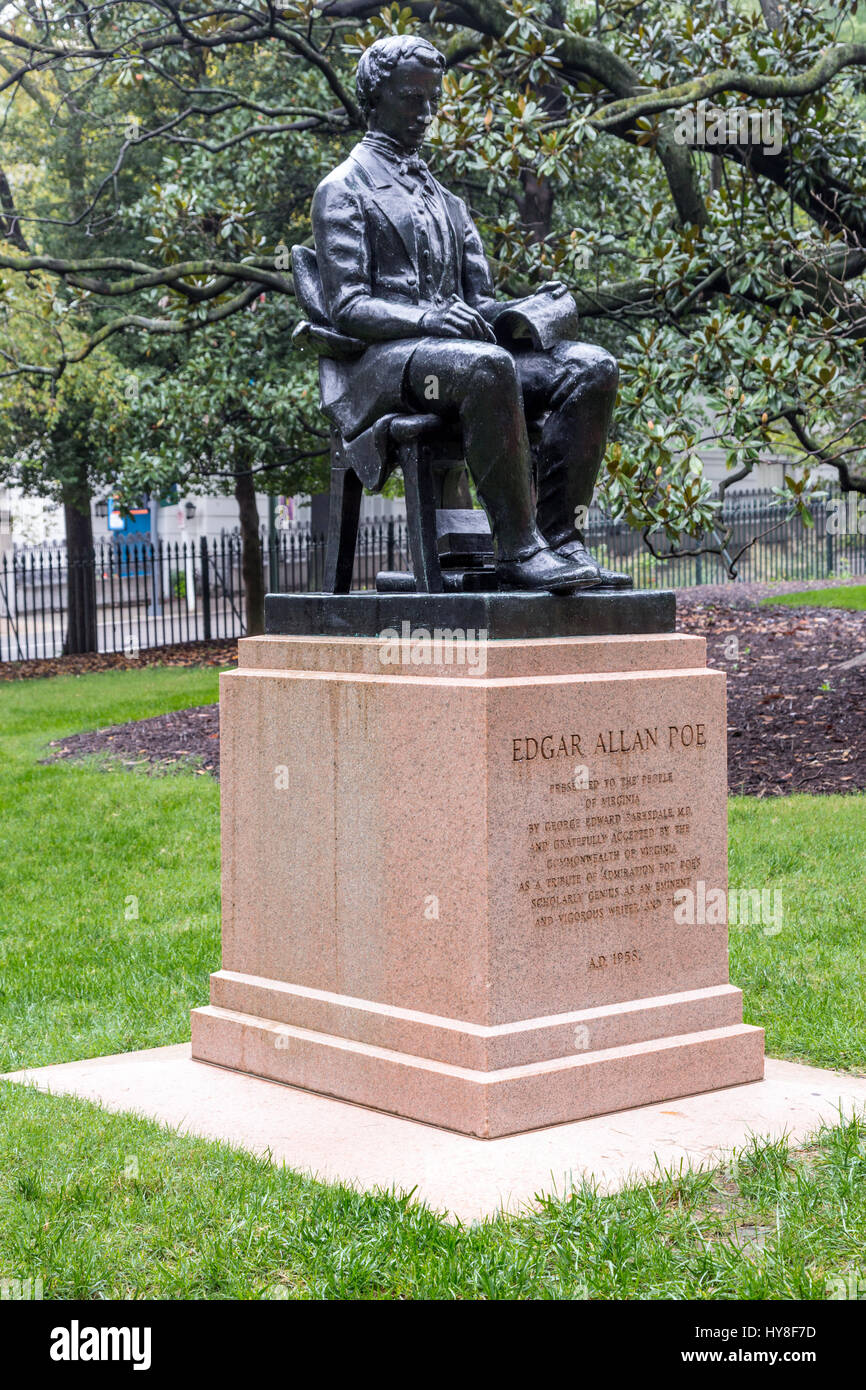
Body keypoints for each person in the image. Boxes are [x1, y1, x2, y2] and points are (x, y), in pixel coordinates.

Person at [311, 34, 631, 592]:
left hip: (457, 356)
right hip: (382, 365)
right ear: (377, 95)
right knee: (486, 368)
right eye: (413, 99)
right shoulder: (342, 189)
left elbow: (479, 304)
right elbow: (347, 307)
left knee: (592, 366)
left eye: (433, 100)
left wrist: (528, 309)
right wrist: (427, 321)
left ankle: (562, 542)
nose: (426, 114)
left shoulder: (446, 201)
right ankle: (518, 551)